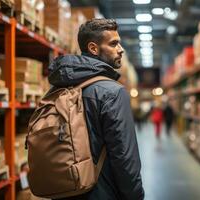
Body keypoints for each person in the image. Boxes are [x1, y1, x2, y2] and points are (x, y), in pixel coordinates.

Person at [48, 19, 144, 200]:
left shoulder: (57, 88)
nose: (121, 49)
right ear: (93, 48)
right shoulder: (112, 92)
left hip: (64, 191)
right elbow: (124, 157)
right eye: (114, 43)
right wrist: (135, 195)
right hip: (100, 192)